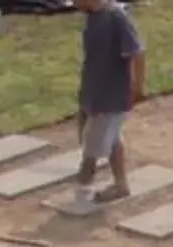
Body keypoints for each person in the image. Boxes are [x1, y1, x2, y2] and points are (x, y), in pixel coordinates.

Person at [74, 0, 145, 203]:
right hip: (92, 90)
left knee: (98, 139)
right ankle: (109, 178)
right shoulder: (93, 17)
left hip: (111, 93)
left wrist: (137, 87)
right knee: (103, 134)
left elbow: (137, 53)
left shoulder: (116, 18)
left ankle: (95, 173)